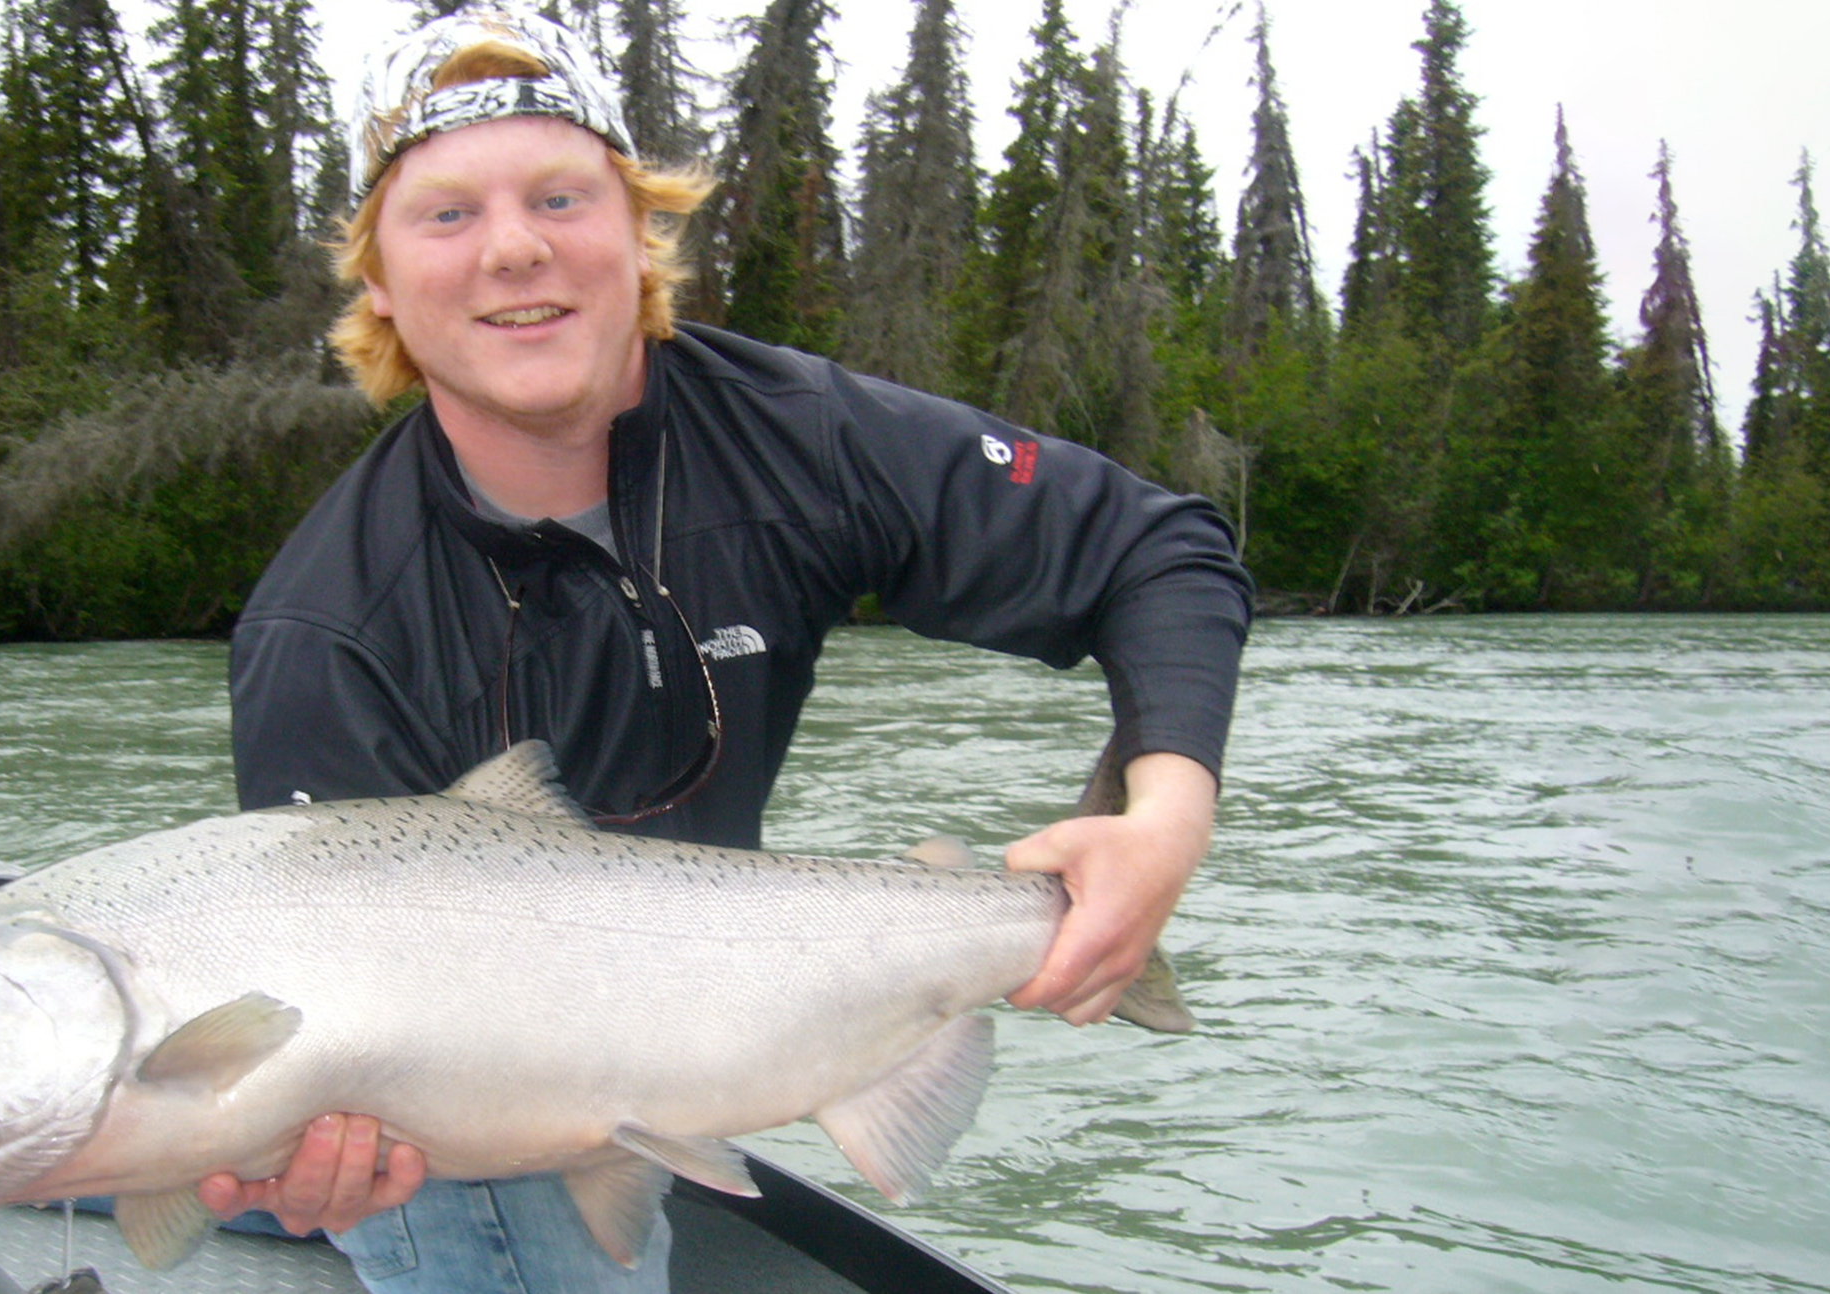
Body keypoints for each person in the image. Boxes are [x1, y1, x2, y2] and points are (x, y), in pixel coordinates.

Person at [199, 5, 1254, 1291]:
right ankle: (242, 1200)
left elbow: (1156, 552)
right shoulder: (327, 631)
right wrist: (304, 1153)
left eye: (558, 196)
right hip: (471, 1125)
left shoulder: (794, 435)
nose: (515, 250)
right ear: (378, 281)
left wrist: (1162, 820)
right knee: (375, 1169)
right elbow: (320, 1027)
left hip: (710, 1014)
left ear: (636, 230)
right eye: (446, 216)